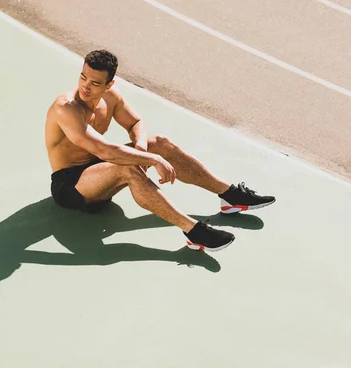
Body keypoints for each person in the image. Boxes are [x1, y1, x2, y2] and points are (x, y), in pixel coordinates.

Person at [44, 49, 275, 252]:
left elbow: (136, 124)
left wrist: (142, 149)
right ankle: (193, 231)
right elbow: (104, 150)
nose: (86, 86)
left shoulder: (110, 98)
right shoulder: (66, 108)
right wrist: (150, 159)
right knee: (127, 169)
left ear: (109, 85)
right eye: (83, 77)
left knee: (161, 143)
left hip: (98, 169)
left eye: (95, 83)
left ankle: (230, 195)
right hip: (71, 187)